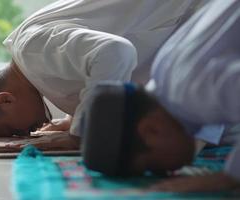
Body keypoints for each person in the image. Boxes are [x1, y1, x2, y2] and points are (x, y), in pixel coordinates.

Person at [0, 0, 204, 143]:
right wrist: (72, 119)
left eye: (15, 131)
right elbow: (88, 67)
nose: (27, 134)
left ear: (5, 99)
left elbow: (115, 52)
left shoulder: (32, 48)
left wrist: (80, 134)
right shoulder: (33, 58)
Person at [82, 0, 240, 192]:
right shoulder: (166, 72)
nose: (169, 171)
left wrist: (231, 175)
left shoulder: (192, 91)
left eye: (152, 167)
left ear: (151, 130)